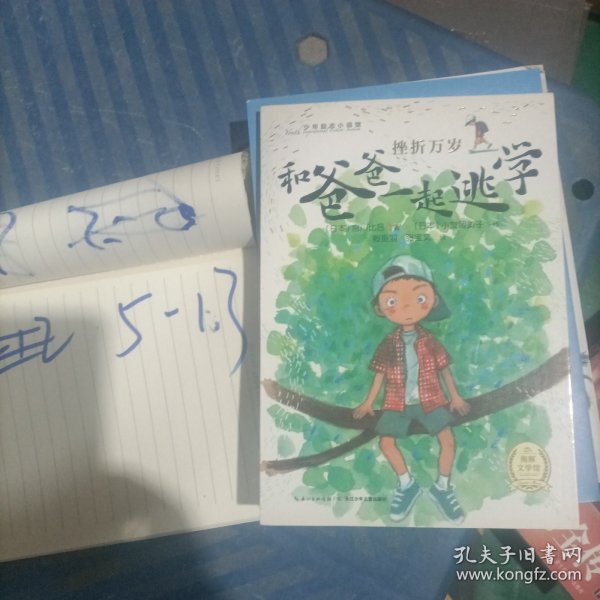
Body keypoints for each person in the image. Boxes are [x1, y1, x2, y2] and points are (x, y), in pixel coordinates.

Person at [353, 255, 470, 523]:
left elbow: (444, 369)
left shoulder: (429, 341)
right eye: (392, 301)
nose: (406, 306)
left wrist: (455, 397)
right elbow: (380, 374)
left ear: (432, 300)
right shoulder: (388, 343)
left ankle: (442, 488)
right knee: (386, 442)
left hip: (431, 400)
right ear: (381, 308)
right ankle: (407, 485)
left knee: (448, 440)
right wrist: (369, 402)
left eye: (418, 298)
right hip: (397, 402)